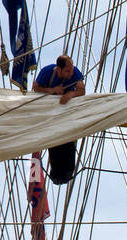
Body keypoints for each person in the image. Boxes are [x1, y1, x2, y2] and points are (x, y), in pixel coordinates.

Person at [33, 55, 87, 184]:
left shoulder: (75, 74)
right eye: (67, 71)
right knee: (55, 144)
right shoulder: (47, 72)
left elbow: (82, 90)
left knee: (68, 145)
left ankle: (67, 173)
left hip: (67, 117)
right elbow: (36, 87)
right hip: (50, 117)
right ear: (59, 70)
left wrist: (71, 94)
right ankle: (56, 174)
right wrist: (52, 90)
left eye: (71, 69)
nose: (71, 73)